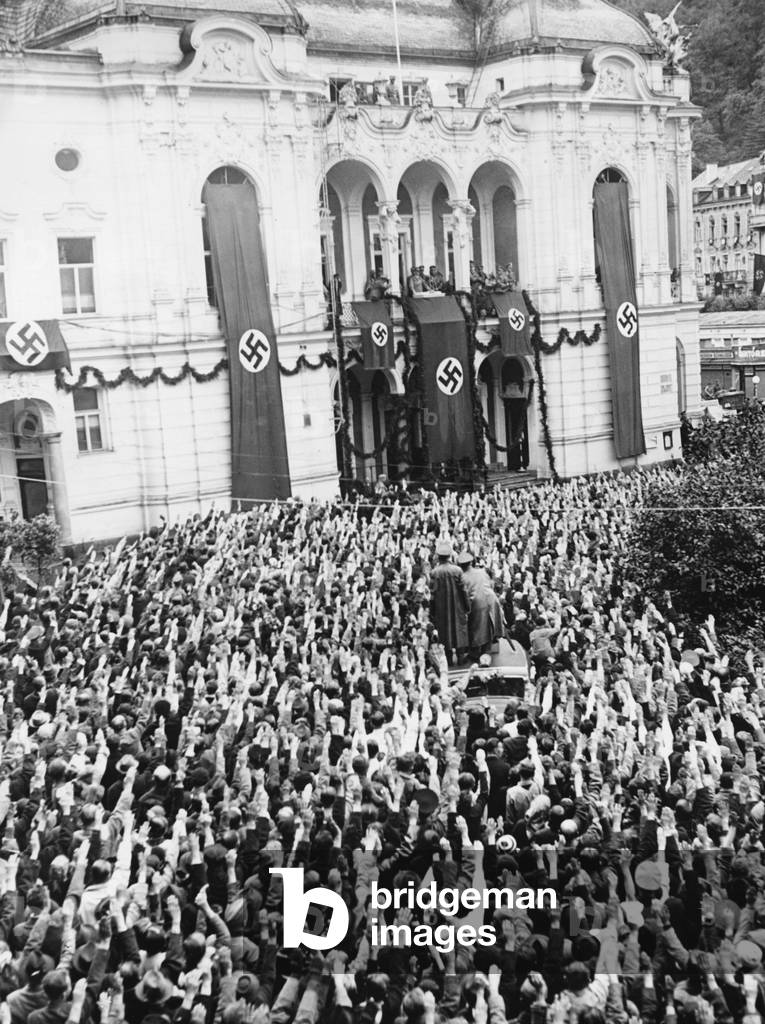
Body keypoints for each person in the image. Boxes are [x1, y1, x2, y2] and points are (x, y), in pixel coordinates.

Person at [456, 550, 505, 657]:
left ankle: (477, 652)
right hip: (492, 599)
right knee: (488, 626)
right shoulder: (482, 571)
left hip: (478, 602)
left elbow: (463, 595)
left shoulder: (462, 577)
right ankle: (485, 649)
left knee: (477, 628)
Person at [428, 539, 469, 666]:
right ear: (450, 556)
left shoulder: (434, 572)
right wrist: (467, 606)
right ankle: (461, 659)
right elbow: (464, 591)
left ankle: (449, 661)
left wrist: (432, 612)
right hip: (458, 607)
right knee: (459, 631)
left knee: (444, 633)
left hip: (442, 609)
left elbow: (432, 595)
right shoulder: (457, 570)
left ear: (439, 557)